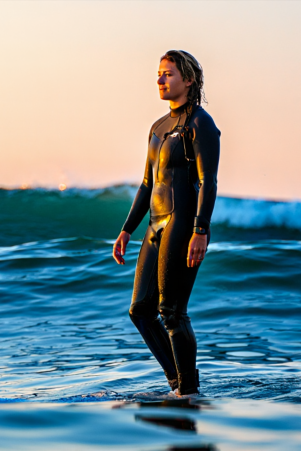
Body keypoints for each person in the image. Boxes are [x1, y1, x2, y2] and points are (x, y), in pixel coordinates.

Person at [112, 50, 220, 396]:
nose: (160, 80)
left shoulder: (200, 124)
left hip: (183, 224)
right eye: (158, 74)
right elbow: (147, 183)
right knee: (140, 311)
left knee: (172, 311)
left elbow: (208, 182)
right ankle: (180, 385)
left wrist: (200, 230)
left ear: (188, 80)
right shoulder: (157, 128)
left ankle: (188, 391)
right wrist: (127, 229)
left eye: (168, 74)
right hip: (155, 226)